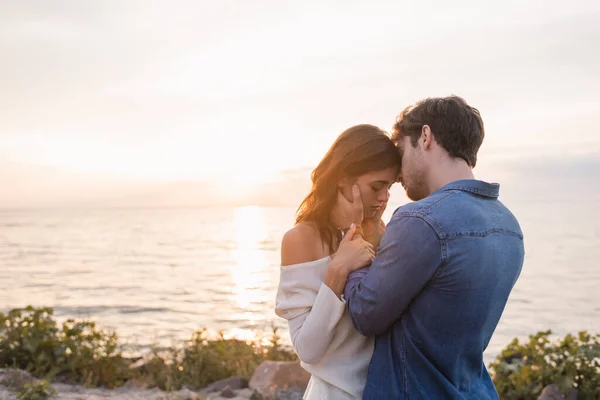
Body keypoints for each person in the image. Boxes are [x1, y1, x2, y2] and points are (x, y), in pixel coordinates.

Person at [336, 96, 525, 399]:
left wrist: (361, 248)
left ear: (425, 137)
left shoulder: (420, 219)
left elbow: (364, 315)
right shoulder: (509, 226)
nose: (398, 173)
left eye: (400, 152)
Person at [275, 124, 402, 399]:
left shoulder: (385, 235)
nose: (384, 198)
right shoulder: (300, 240)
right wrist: (338, 270)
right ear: (343, 178)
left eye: (389, 187)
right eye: (376, 186)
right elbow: (307, 349)